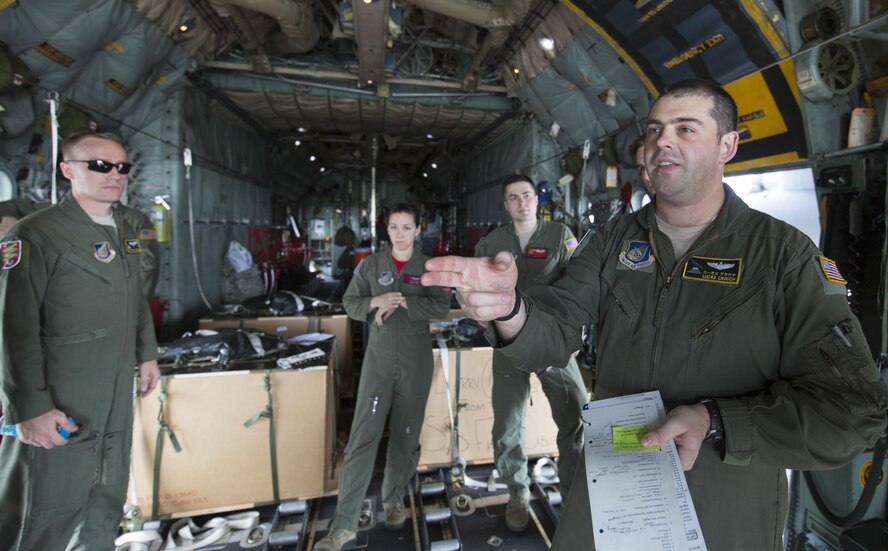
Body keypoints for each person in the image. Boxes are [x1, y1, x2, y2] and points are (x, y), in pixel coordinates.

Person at [422, 79, 888, 550]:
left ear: (727, 145)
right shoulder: (610, 242)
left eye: (686, 129)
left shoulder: (784, 257)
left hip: (722, 504)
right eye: (654, 130)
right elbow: (558, 325)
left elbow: (853, 411)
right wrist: (511, 308)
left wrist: (716, 421)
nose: (662, 140)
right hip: (614, 490)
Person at [0, 131, 160, 550]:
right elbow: (11, 326)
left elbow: (134, 298)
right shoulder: (35, 234)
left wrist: (146, 356)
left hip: (111, 392)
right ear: (68, 170)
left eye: (121, 167)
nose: (114, 175)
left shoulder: (126, 227)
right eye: (100, 165)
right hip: (59, 392)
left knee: (105, 497)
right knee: (41, 507)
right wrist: (29, 408)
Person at [315, 203, 450, 551]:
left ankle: (392, 499)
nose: (401, 233)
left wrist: (405, 303)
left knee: (406, 434)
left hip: (415, 360)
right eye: (394, 227)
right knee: (363, 436)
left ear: (418, 230)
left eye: (407, 227)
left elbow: (441, 306)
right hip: (377, 362)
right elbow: (350, 303)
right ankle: (343, 525)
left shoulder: (429, 267)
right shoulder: (372, 265)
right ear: (386, 230)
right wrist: (375, 300)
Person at [473, 174, 587, 532]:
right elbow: (477, 293)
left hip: (554, 346)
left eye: (527, 195)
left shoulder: (560, 236)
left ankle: (573, 496)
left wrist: (575, 335)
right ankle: (517, 492)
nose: (522, 202)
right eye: (513, 198)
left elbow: (582, 285)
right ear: (506, 205)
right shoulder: (492, 243)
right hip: (508, 346)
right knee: (507, 423)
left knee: (577, 420)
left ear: (537, 200)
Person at [0, 192, 159, 299]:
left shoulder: (134, 222)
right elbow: (17, 206)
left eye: (120, 169)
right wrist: (8, 219)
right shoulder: (59, 211)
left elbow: (145, 270)